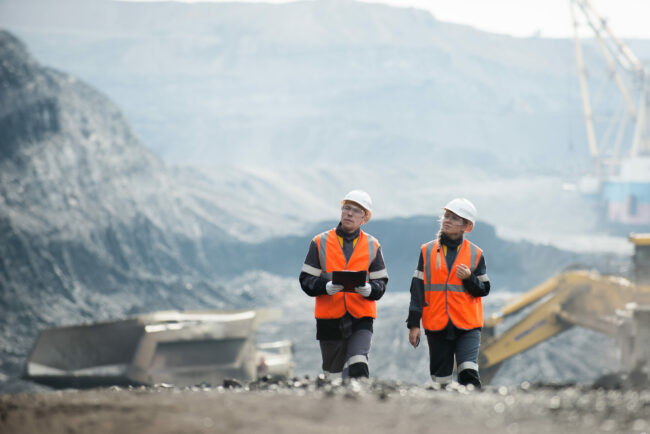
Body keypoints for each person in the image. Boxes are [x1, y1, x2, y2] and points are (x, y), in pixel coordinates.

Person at [299, 190, 389, 379]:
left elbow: (381, 282)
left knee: (358, 363)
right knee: (333, 376)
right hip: (329, 319)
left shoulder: (373, 245)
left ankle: (361, 406)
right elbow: (306, 280)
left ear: (364, 218)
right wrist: (324, 286)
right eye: (346, 208)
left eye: (356, 211)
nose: (349, 213)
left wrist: (370, 289)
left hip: (361, 317)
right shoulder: (319, 242)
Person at [406, 198, 490, 388]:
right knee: (441, 381)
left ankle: (472, 414)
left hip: (468, 324)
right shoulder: (426, 251)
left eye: (454, 218)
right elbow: (417, 289)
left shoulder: (476, 253)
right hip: (437, 324)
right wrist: (413, 324)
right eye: (446, 216)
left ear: (466, 227)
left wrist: (470, 278)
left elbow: (484, 289)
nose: (447, 220)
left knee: (469, 373)